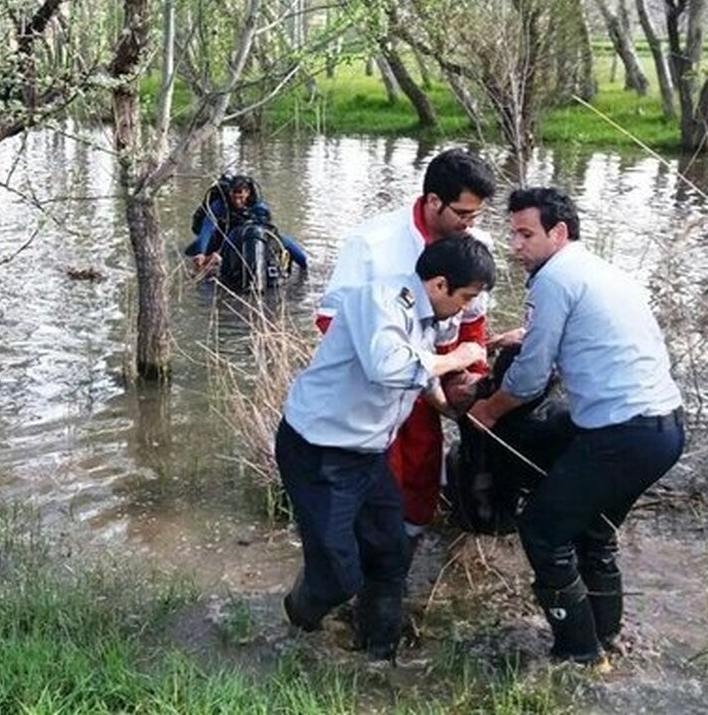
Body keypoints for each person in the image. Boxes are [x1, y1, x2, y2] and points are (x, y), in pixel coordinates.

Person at [469, 187, 685, 665]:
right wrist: (522, 335)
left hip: (622, 433)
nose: (515, 246)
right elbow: (589, 326)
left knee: (543, 530)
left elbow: (529, 377)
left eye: (526, 234)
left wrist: (488, 410)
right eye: (513, 234)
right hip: (665, 429)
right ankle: (607, 640)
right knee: (593, 531)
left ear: (558, 232)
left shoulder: (552, 280)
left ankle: (578, 657)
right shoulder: (598, 269)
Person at [278, 235, 496, 661]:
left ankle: (380, 652)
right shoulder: (381, 300)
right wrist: (462, 356)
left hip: (368, 452)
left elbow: (422, 372)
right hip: (320, 452)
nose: (469, 308)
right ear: (438, 284)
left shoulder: (427, 313)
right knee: (339, 579)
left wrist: (451, 411)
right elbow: (391, 367)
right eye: (467, 297)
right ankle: (298, 623)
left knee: (390, 550)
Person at [316, 148, 498, 541]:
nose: (470, 224)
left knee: (422, 468)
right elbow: (329, 321)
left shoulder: (476, 244)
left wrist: (470, 377)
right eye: (463, 214)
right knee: (377, 471)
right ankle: (365, 559)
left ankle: (403, 551)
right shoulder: (373, 243)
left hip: (436, 374)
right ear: (433, 201)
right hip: (373, 380)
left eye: (476, 215)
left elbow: (473, 322)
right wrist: (396, 366)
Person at [186, 173, 308, 289]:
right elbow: (207, 228)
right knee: (192, 251)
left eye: (241, 197)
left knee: (300, 257)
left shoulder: (258, 206)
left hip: (253, 233)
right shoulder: (220, 205)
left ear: (248, 193)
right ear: (229, 193)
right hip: (227, 234)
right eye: (234, 197)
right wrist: (201, 252)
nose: (237, 201)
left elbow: (267, 229)